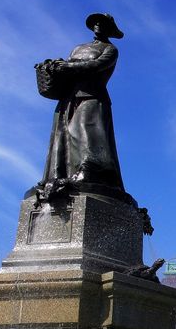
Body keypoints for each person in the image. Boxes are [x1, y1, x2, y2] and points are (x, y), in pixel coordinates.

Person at [36, 12, 125, 200]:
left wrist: (68, 67)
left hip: (92, 96)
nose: (98, 24)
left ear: (110, 28)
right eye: (96, 22)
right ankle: (62, 175)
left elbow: (96, 65)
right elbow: (69, 67)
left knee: (86, 133)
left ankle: (90, 171)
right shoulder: (78, 48)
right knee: (64, 136)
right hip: (69, 97)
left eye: (103, 22)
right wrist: (55, 66)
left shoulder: (110, 49)